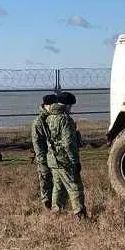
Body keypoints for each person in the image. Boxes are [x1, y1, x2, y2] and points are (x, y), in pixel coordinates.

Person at [45, 91, 87, 219]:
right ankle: (80, 214)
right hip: (65, 160)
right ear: (67, 105)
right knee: (75, 187)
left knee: (58, 188)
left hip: (53, 159)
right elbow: (68, 143)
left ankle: (56, 213)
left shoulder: (49, 118)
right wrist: (75, 161)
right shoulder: (65, 119)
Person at [31, 93, 58, 211]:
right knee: (46, 180)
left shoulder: (54, 118)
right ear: (46, 105)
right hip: (45, 156)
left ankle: (56, 205)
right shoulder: (39, 122)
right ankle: (47, 204)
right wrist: (42, 162)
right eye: (52, 105)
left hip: (55, 156)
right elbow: (37, 144)